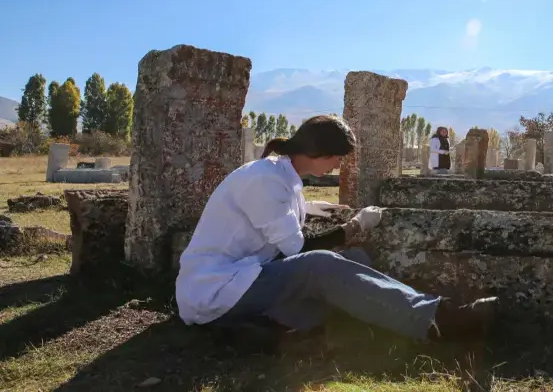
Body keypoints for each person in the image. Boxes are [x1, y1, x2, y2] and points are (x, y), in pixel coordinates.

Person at [175, 115, 495, 344]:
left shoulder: (280, 176)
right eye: (337, 160)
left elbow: (277, 216)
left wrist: (315, 208)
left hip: (248, 276)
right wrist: (355, 225)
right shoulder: (265, 180)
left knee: (354, 257)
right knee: (321, 266)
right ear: (319, 154)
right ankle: (435, 319)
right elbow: (297, 249)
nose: (336, 168)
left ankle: (275, 325)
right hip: (216, 288)